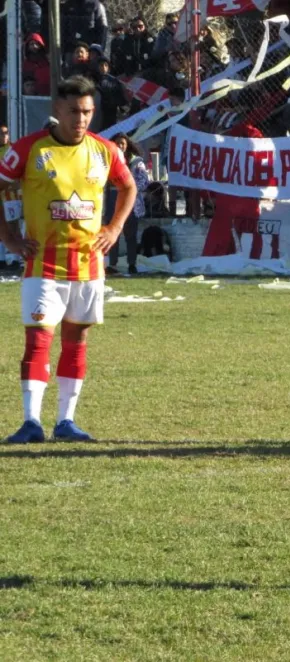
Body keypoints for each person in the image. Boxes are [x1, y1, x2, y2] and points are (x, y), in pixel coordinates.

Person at [0, 76, 137, 443]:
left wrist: (114, 228)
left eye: (88, 112)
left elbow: (128, 186)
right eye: (74, 111)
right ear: (57, 109)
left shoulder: (105, 150)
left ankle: (66, 421)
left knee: (76, 341)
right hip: (42, 264)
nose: (81, 119)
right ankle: (31, 422)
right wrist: (9, 237)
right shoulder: (29, 149)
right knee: (38, 341)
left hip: (89, 265)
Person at [110, 133, 149, 275]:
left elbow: (144, 181)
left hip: (130, 201)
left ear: (127, 146)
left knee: (130, 235)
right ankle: (112, 264)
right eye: (117, 143)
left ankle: (132, 264)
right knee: (112, 232)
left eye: (123, 143)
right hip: (112, 200)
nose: (120, 146)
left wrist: (129, 188)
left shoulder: (136, 162)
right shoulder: (107, 159)